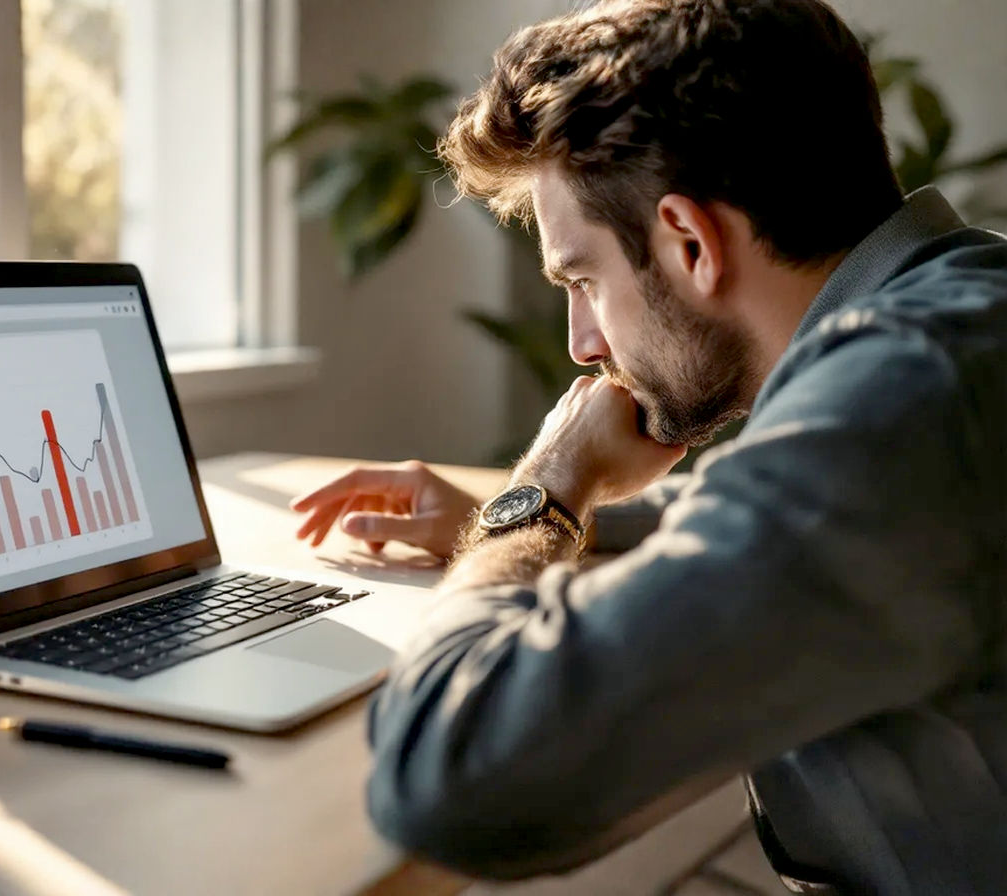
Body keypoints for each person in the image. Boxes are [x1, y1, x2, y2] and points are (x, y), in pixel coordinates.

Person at [289, 0, 1007, 892]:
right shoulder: (963, 313)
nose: (583, 343)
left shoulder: (910, 399)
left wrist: (543, 491)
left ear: (689, 241)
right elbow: (768, 514)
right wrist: (505, 523)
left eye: (583, 278)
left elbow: (449, 774)